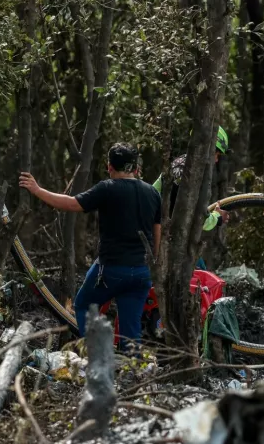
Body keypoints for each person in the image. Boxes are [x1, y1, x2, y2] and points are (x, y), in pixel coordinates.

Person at [19, 144, 160, 350]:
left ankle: (95, 354)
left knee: (84, 306)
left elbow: (71, 204)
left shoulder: (108, 187)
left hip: (111, 268)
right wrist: (153, 262)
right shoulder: (153, 193)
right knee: (131, 329)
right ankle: (132, 373)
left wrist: (37, 190)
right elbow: (157, 230)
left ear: (110, 167)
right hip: (141, 272)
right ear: (136, 169)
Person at [153, 126, 231, 233]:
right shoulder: (187, 170)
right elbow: (190, 214)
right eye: (216, 154)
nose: (217, 160)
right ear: (207, 150)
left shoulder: (185, 162)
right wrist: (216, 218)